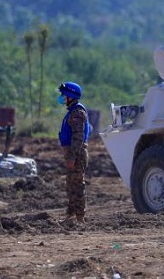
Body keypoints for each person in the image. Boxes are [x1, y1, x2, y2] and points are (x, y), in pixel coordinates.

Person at [57, 82, 91, 228]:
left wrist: (71, 158)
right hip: (72, 154)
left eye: (63, 95)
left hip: (76, 154)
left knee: (77, 185)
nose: (61, 98)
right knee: (71, 185)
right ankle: (70, 215)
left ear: (70, 96)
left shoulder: (77, 113)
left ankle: (80, 218)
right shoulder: (72, 112)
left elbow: (78, 138)